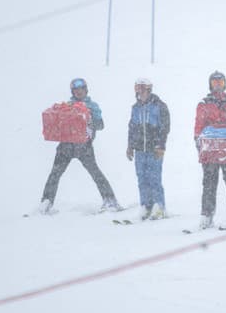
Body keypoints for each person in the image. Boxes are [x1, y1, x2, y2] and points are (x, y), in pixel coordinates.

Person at [39, 78, 122, 214]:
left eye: (81, 89)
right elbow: (58, 126)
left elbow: (100, 125)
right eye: (76, 90)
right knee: (55, 174)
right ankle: (46, 202)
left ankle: (110, 200)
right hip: (65, 147)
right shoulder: (67, 106)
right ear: (73, 91)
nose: (79, 92)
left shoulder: (92, 106)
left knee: (96, 174)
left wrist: (88, 118)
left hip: (84, 147)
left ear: (86, 90)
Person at [194, 71, 226, 229]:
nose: (217, 85)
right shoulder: (204, 104)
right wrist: (197, 139)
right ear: (210, 84)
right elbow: (199, 124)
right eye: (215, 82)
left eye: (220, 82)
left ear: (225, 84)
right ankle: (207, 215)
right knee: (209, 181)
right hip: (210, 148)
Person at [126, 78, 170, 220]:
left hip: (154, 148)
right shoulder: (136, 107)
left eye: (142, 89)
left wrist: (161, 145)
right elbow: (132, 127)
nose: (140, 92)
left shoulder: (159, 106)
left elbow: (165, 127)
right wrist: (130, 145)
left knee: (154, 177)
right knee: (142, 178)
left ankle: (159, 206)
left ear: (149, 90)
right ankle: (146, 205)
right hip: (140, 149)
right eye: (137, 89)